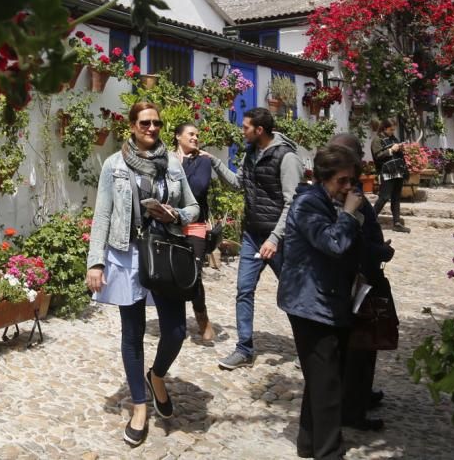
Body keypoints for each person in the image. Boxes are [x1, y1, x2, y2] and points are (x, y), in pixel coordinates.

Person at [85, 102, 200, 447]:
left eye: (157, 123)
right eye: (145, 123)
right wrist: (96, 261)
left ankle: (157, 376)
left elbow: (194, 207)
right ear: (132, 126)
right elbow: (102, 215)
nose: (152, 128)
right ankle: (139, 406)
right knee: (132, 334)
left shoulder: (173, 164)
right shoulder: (114, 165)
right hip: (127, 255)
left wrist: (175, 214)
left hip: (164, 254)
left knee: (177, 331)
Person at [278, 145, 365, 460]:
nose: (347, 188)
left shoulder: (330, 200)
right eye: (342, 181)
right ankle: (329, 452)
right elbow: (333, 243)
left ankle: (308, 442)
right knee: (327, 384)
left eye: (351, 182)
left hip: (327, 299)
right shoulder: (308, 204)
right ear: (324, 178)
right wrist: (350, 214)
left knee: (321, 377)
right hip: (309, 303)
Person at [203, 107, 301, 369]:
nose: (241, 131)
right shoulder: (251, 154)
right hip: (252, 235)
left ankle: (308, 348)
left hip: (279, 240)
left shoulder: (287, 157)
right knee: (244, 291)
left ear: (259, 130)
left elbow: (293, 203)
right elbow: (238, 183)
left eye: (245, 127)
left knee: (294, 295)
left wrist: (275, 238)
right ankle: (244, 348)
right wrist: (213, 161)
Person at [331, 133, 394, 431]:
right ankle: (353, 410)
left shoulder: (343, 187)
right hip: (357, 281)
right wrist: (382, 251)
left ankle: (358, 398)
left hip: (357, 277)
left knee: (356, 349)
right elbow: (352, 242)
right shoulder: (345, 193)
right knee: (359, 348)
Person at [174, 122, 216, 342]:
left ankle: (203, 319)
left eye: (197, 135)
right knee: (171, 274)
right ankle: (174, 322)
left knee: (193, 274)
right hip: (171, 225)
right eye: (191, 134)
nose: (195, 138)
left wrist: (179, 171)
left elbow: (198, 188)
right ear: (178, 137)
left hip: (195, 225)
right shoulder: (168, 159)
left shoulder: (203, 161)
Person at [370, 119, 410, 233]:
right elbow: (378, 156)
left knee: (396, 197)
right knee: (384, 197)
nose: (393, 131)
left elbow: (398, 154)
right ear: (384, 128)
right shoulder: (377, 140)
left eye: (394, 129)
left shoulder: (393, 138)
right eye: (391, 129)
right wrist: (391, 150)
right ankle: (370, 219)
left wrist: (400, 149)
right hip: (386, 172)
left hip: (397, 171)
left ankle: (397, 223)